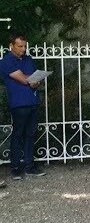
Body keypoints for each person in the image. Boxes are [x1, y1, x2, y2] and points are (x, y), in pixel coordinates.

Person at [0, 31, 46, 179]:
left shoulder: (28, 59)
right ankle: (15, 167)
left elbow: (36, 78)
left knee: (30, 135)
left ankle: (29, 166)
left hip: (32, 101)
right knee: (18, 134)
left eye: (24, 46)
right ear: (11, 46)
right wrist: (32, 80)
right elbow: (24, 79)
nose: (23, 49)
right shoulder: (7, 61)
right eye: (20, 46)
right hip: (19, 104)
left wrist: (34, 81)